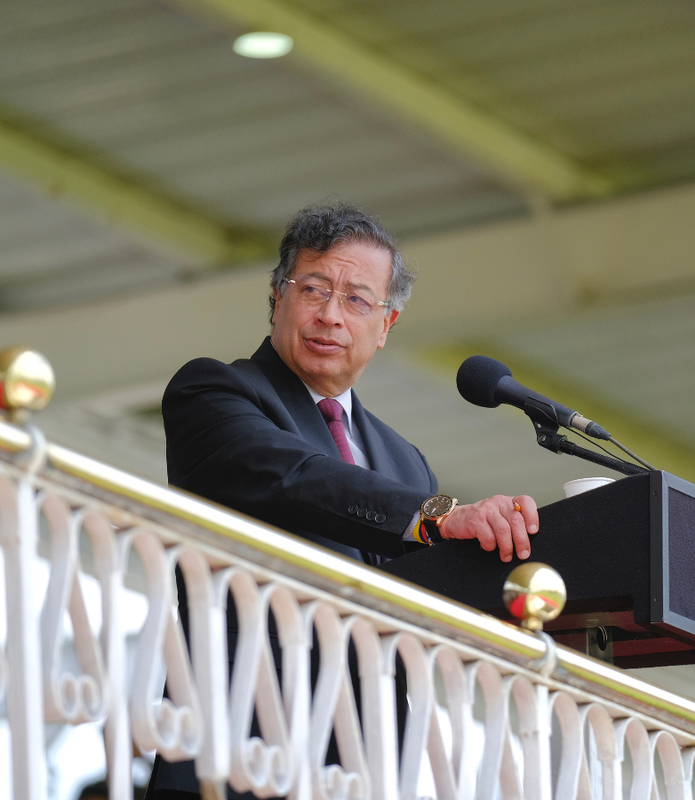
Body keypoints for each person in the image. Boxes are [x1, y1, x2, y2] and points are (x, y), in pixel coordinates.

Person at [147, 203, 538, 799]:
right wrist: (439, 516)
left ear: (386, 326)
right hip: (237, 746)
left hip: (364, 762)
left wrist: (511, 559)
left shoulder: (405, 460)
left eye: (357, 300)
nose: (331, 315)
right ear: (277, 298)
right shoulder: (215, 390)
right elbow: (295, 476)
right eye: (314, 289)